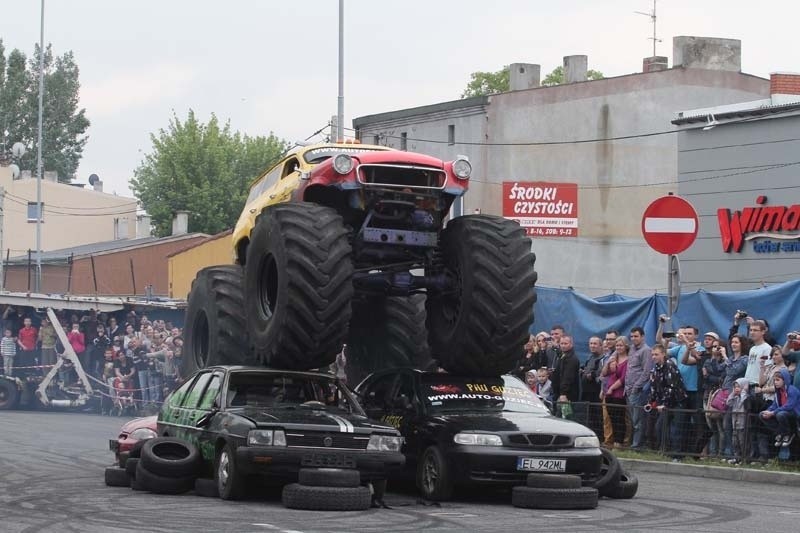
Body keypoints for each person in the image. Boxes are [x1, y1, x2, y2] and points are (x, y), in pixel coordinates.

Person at [648, 343, 687, 457]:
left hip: (678, 401)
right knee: (659, 427)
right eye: (652, 354)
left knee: (676, 430)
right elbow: (654, 387)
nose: (653, 357)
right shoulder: (656, 368)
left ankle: (677, 455)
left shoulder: (670, 365)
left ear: (663, 354)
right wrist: (651, 401)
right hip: (666, 402)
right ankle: (664, 451)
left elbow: (671, 387)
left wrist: (664, 404)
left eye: (656, 354)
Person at [759, 368, 800, 449]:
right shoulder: (778, 391)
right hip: (781, 412)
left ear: (784, 380)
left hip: (794, 413)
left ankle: (788, 434)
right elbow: (775, 404)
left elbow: (789, 406)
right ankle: (780, 433)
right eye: (774, 380)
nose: (775, 382)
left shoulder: (792, 390)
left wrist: (773, 413)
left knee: (780, 414)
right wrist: (768, 411)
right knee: (762, 415)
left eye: (778, 380)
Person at [625, 327, 652, 450]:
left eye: (636, 336)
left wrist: (636, 387)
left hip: (638, 390)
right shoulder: (631, 349)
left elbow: (646, 372)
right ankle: (633, 443)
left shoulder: (646, 350)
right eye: (632, 336)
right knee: (632, 418)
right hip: (628, 388)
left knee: (638, 419)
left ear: (642, 336)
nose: (633, 339)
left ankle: (637, 445)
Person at [604, 337, 629, 448]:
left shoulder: (628, 360)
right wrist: (608, 362)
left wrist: (612, 388)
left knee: (619, 418)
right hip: (609, 393)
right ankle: (613, 441)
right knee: (611, 418)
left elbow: (623, 378)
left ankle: (619, 442)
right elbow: (604, 373)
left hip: (618, 394)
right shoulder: (613, 358)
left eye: (621, 345)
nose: (618, 347)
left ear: (626, 346)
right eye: (617, 345)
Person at [551, 335, 580, 418]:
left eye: (565, 343)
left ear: (571, 344)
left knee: (566, 416)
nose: (563, 345)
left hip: (566, 395)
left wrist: (564, 393)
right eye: (561, 343)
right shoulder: (563, 356)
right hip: (559, 393)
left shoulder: (572, 359)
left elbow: (568, 377)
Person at [581, 336, 605, 438]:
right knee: (589, 416)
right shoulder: (589, 358)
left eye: (595, 344)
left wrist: (592, 375)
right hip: (587, 392)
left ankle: (600, 437)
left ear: (601, 346)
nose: (592, 346)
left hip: (597, 392)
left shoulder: (603, 359)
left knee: (598, 416)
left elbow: (601, 374)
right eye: (591, 343)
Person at [726, 378, 751, 465]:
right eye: (735, 387)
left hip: (743, 424)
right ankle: (737, 457)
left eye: (739, 387)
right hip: (735, 424)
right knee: (735, 442)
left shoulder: (746, 397)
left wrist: (744, 391)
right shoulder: (735, 397)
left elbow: (742, 402)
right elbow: (728, 403)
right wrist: (733, 393)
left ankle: (745, 459)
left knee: (742, 442)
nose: (736, 388)